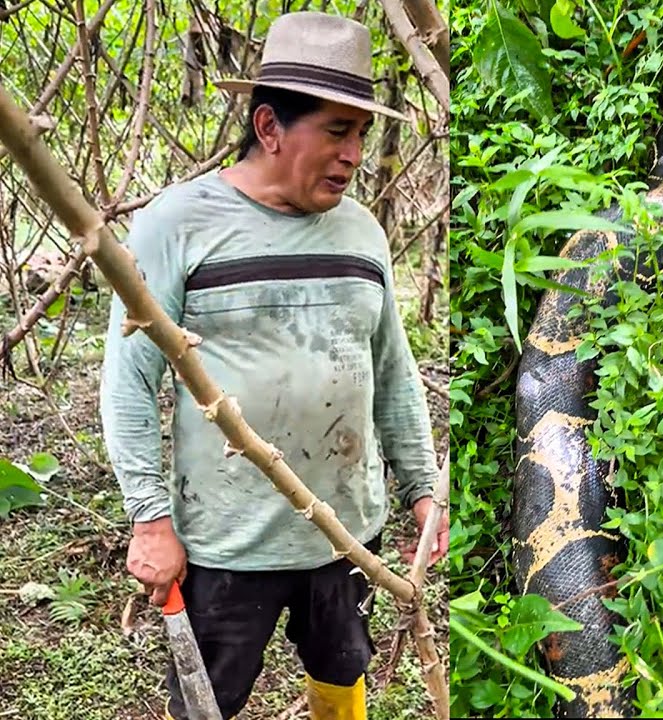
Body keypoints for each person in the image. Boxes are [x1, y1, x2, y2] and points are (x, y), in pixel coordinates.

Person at [98, 12, 447, 720]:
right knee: (208, 698)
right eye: (336, 130)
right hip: (229, 542)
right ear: (268, 127)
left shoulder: (361, 230)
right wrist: (148, 519)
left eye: (361, 134)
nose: (353, 154)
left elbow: (391, 368)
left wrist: (421, 486)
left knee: (343, 670)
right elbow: (128, 379)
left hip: (348, 531)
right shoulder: (178, 224)